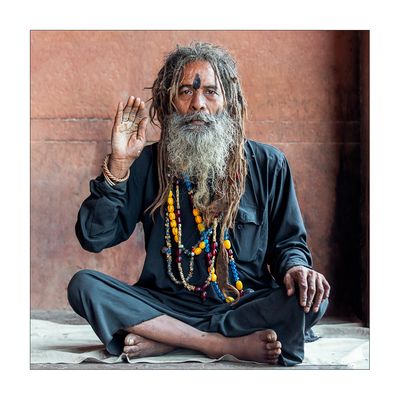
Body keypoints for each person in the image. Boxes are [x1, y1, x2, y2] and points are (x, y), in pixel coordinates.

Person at [68, 42, 330, 366]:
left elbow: (288, 243)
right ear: (169, 101)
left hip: (243, 302)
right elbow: (95, 236)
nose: (197, 104)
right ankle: (212, 342)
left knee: (312, 300)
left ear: (228, 102)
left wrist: (297, 269)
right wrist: (119, 165)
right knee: (84, 286)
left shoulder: (268, 164)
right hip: (165, 303)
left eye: (210, 92)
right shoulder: (148, 163)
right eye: (185, 92)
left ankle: (167, 338)